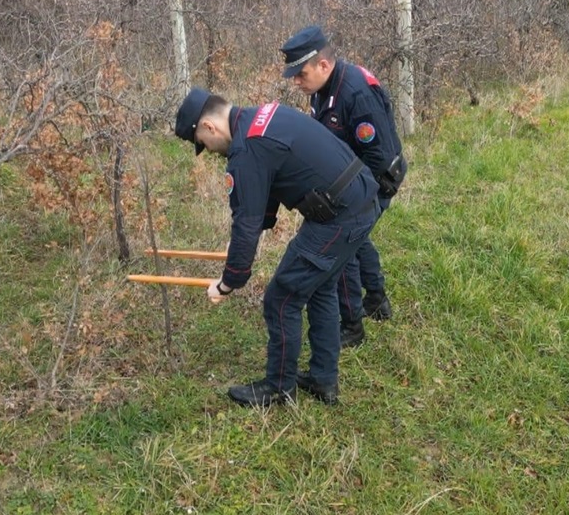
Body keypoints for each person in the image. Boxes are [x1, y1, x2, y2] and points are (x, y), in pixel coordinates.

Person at [174, 87, 380, 406]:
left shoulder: (246, 150)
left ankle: (279, 388)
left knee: (281, 298)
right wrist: (243, 241)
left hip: (340, 217)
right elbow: (263, 195)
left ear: (208, 127)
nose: (210, 151)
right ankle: (323, 380)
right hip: (361, 199)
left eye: (203, 143)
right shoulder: (263, 117)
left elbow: (246, 223)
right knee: (320, 288)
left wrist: (227, 283)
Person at [280, 25, 407, 349]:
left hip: (378, 180)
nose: (296, 82)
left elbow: (379, 157)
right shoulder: (322, 89)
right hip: (356, 178)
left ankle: (351, 326)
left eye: (301, 74)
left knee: (343, 245)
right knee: (358, 239)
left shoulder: (356, 94)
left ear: (323, 65)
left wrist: (351, 202)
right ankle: (376, 299)